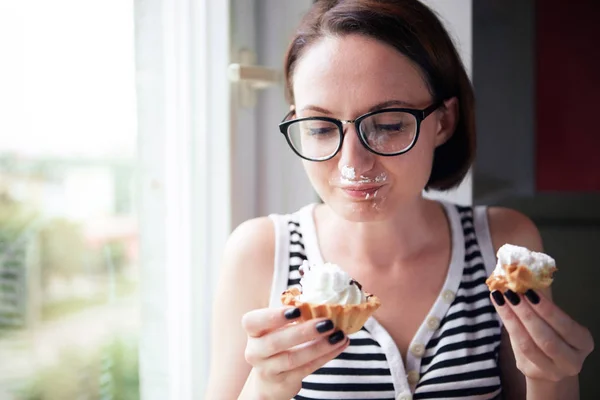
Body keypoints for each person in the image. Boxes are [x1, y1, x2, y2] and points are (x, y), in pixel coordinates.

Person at [205, 1, 594, 399]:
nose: (353, 163)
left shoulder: (501, 242)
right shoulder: (260, 254)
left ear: (443, 121)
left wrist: (553, 377)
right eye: (321, 127)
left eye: (388, 124)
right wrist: (266, 388)